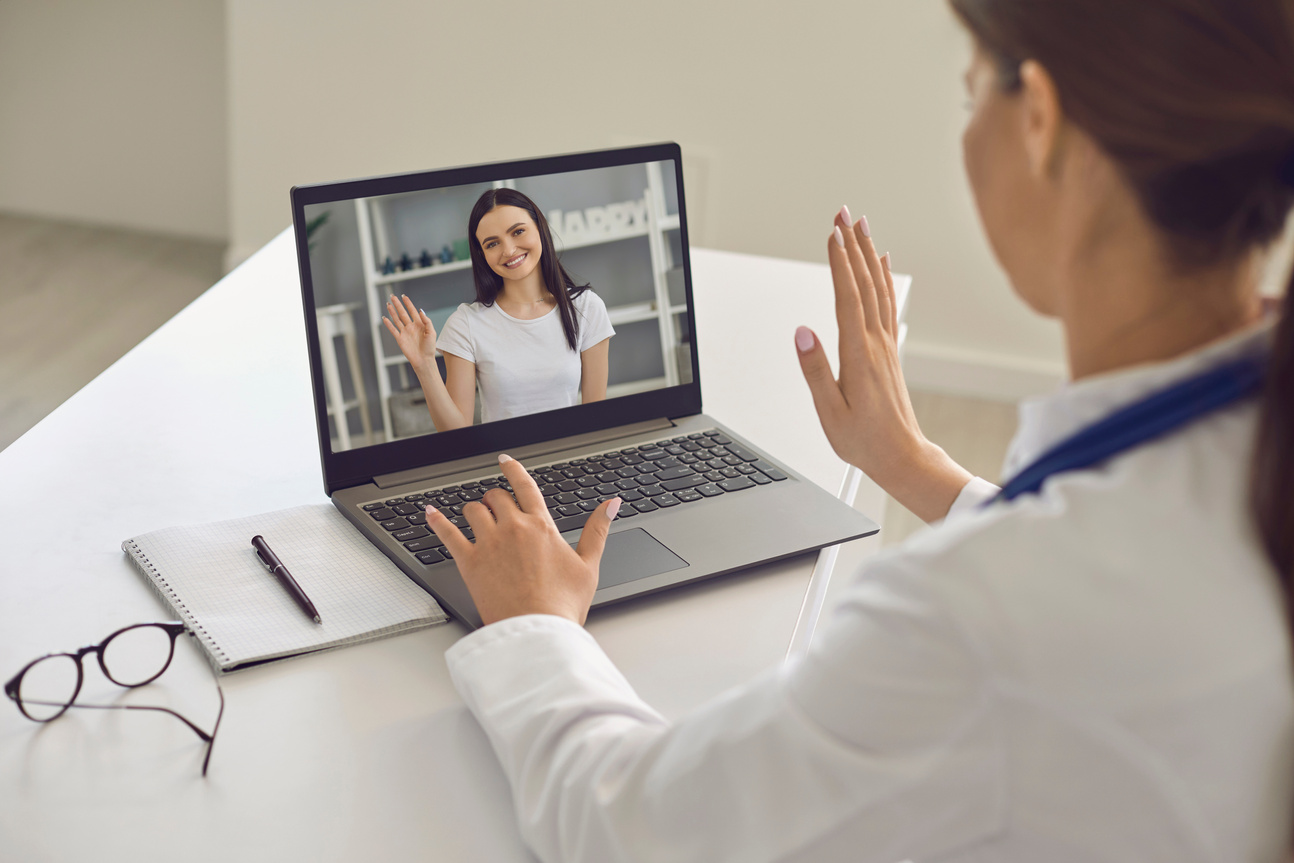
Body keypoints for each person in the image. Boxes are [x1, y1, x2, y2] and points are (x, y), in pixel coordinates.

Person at [425, 0, 1294, 859]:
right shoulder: (1251, 436)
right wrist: (917, 468)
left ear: (1040, 121)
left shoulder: (972, 619)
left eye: (969, 102)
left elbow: (627, 827)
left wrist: (535, 625)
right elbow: (1114, 569)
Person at [383, 188, 614, 430]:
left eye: (518, 231)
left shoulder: (586, 307)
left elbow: (595, 420)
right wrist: (425, 366)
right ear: (482, 254)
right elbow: (456, 433)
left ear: (540, 229)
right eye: (492, 243)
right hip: (502, 462)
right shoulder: (465, 323)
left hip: (570, 460)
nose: (509, 250)